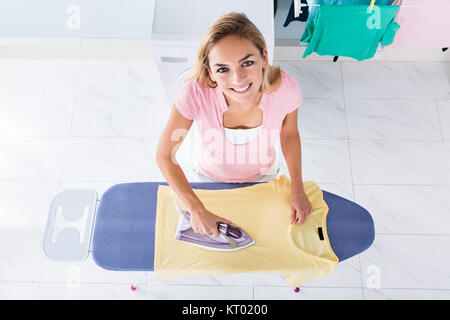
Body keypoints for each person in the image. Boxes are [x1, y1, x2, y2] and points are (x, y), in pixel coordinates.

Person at [156, 12, 312, 238]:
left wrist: (298, 186)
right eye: (222, 69)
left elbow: (288, 134)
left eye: (247, 63)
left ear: (264, 57)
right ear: (210, 71)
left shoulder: (285, 88)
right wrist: (196, 208)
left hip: (263, 176)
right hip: (209, 178)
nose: (238, 79)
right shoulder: (194, 93)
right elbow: (164, 155)